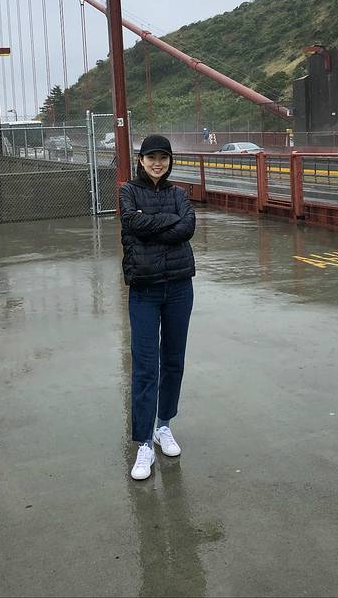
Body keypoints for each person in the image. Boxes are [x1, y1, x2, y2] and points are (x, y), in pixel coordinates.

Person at [119, 134, 196, 480]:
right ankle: (144, 444)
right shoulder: (128, 192)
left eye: (163, 157)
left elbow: (188, 227)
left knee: (174, 361)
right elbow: (132, 223)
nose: (157, 163)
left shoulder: (179, 193)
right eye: (151, 157)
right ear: (141, 160)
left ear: (169, 161)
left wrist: (150, 224)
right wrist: (169, 221)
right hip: (145, 289)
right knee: (146, 367)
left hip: (179, 287)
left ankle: (164, 426)